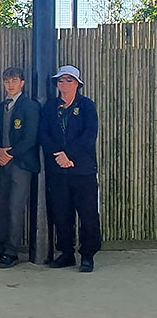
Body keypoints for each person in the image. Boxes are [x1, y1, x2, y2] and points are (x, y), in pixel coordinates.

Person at [40, 65, 100, 273]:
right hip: (58, 170)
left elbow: (89, 134)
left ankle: (87, 255)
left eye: (68, 80)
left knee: (88, 214)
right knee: (61, 214)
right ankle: (66, 253)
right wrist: (58, 155)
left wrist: (69, 155)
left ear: (77, 84)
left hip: (82, 170)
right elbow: (43, 134)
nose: (63, 84)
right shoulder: (50, 107)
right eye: (60, 80)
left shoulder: (87, 106)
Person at [0, 68, 41, 268]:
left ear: (22, 83)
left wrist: (9, 154)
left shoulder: (30, 106)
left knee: (15, 208)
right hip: (1, 165)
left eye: (14, 80)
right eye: (7, 80)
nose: (10, 84)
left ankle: (11, 251)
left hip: (20, 165)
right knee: (0, 207)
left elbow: (31, 138)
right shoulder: (1, 107)